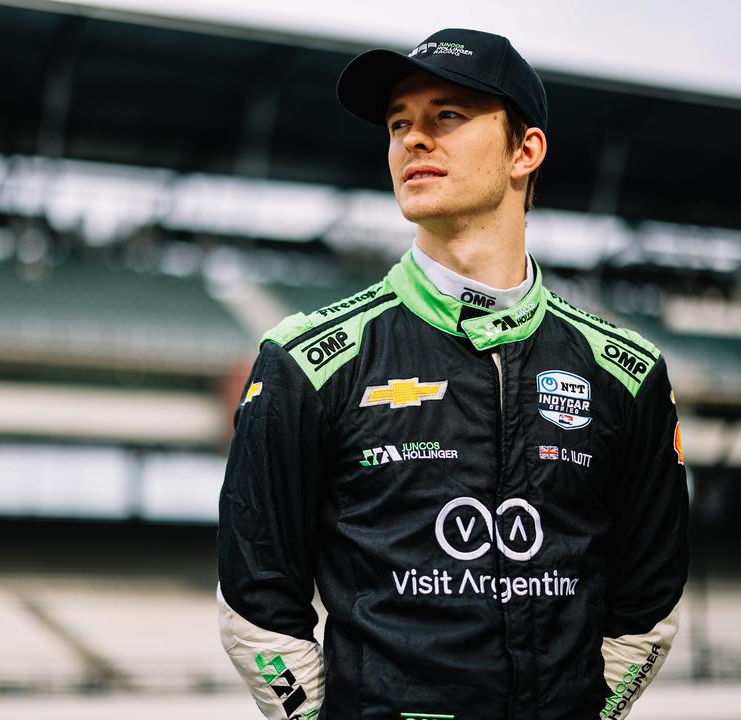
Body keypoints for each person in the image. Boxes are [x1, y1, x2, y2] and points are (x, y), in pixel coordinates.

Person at [217, 28, 689, 720]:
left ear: (524, 151)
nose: (413, 139)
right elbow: (257, 605)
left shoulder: (628, 374)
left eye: (448, 116)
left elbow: (647, 603)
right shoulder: (307, 360)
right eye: (398, 123)